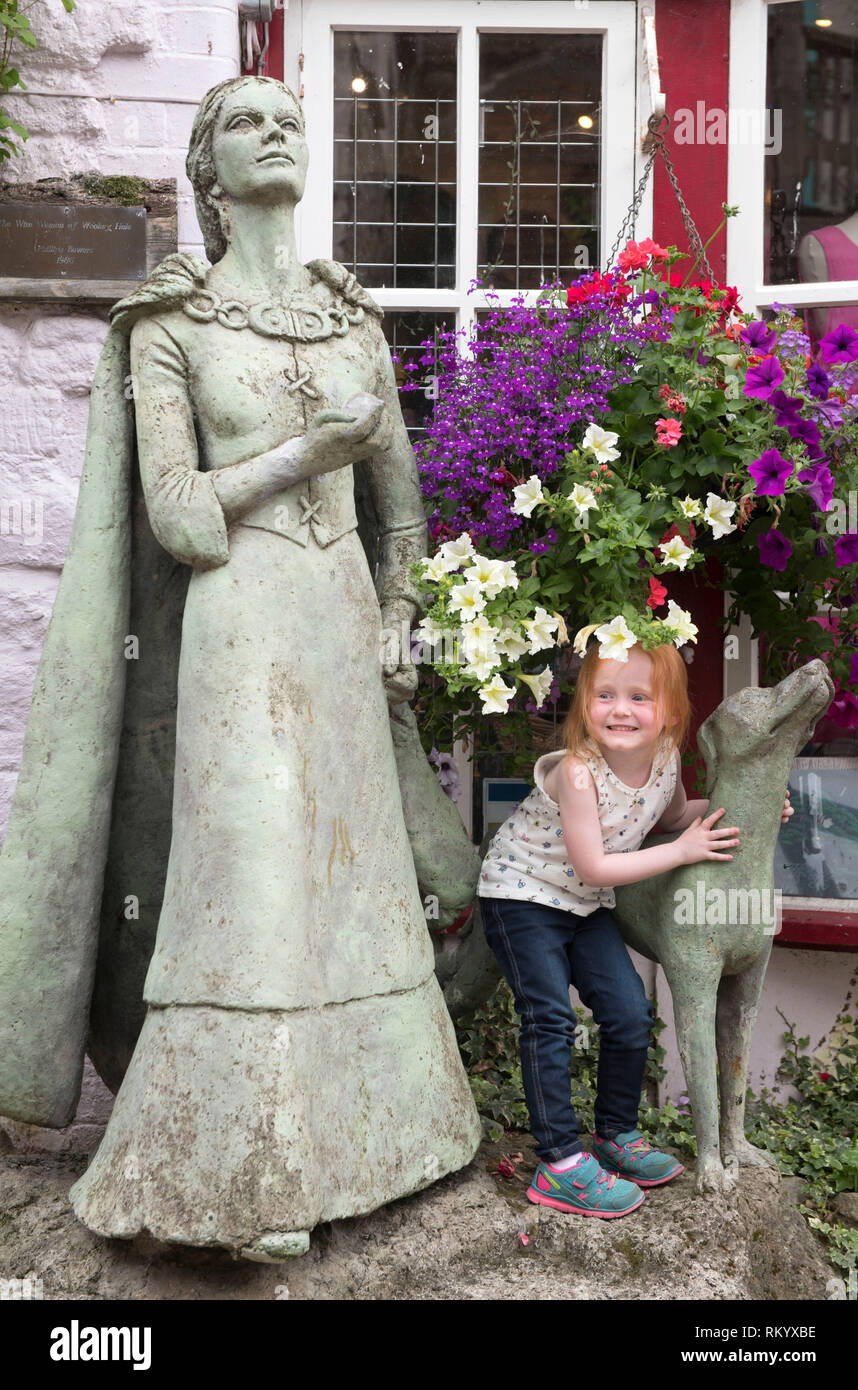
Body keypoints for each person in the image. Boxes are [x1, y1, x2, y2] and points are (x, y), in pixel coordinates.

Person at [50, 75, 480, 1259]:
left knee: (352, 883)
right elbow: (183, 519)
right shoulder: (168, 326)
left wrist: (399, 614)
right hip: (239, 627)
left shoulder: (351, 323)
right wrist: (309, 449)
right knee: (247, 879)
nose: (276, 129)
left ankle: (393, 1139)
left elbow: (400, 511)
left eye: (290, 117)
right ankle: (224, 1180)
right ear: (207, 169)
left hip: (340, 618)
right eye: (245, 118)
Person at [477, 639, 793, 1219]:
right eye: (605, 695)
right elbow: (597, 864)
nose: (620, 710)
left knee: (628, 1012)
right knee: (548, 1019)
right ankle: (561, 1164)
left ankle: (616, 1135)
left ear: (669, 712)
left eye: (639, 697)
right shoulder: (577, 773)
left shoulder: (667, 757)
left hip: (586, 904)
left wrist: (752, 808)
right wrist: (682, 854)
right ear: (583, 705)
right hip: (523, 896)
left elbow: (672, 818)